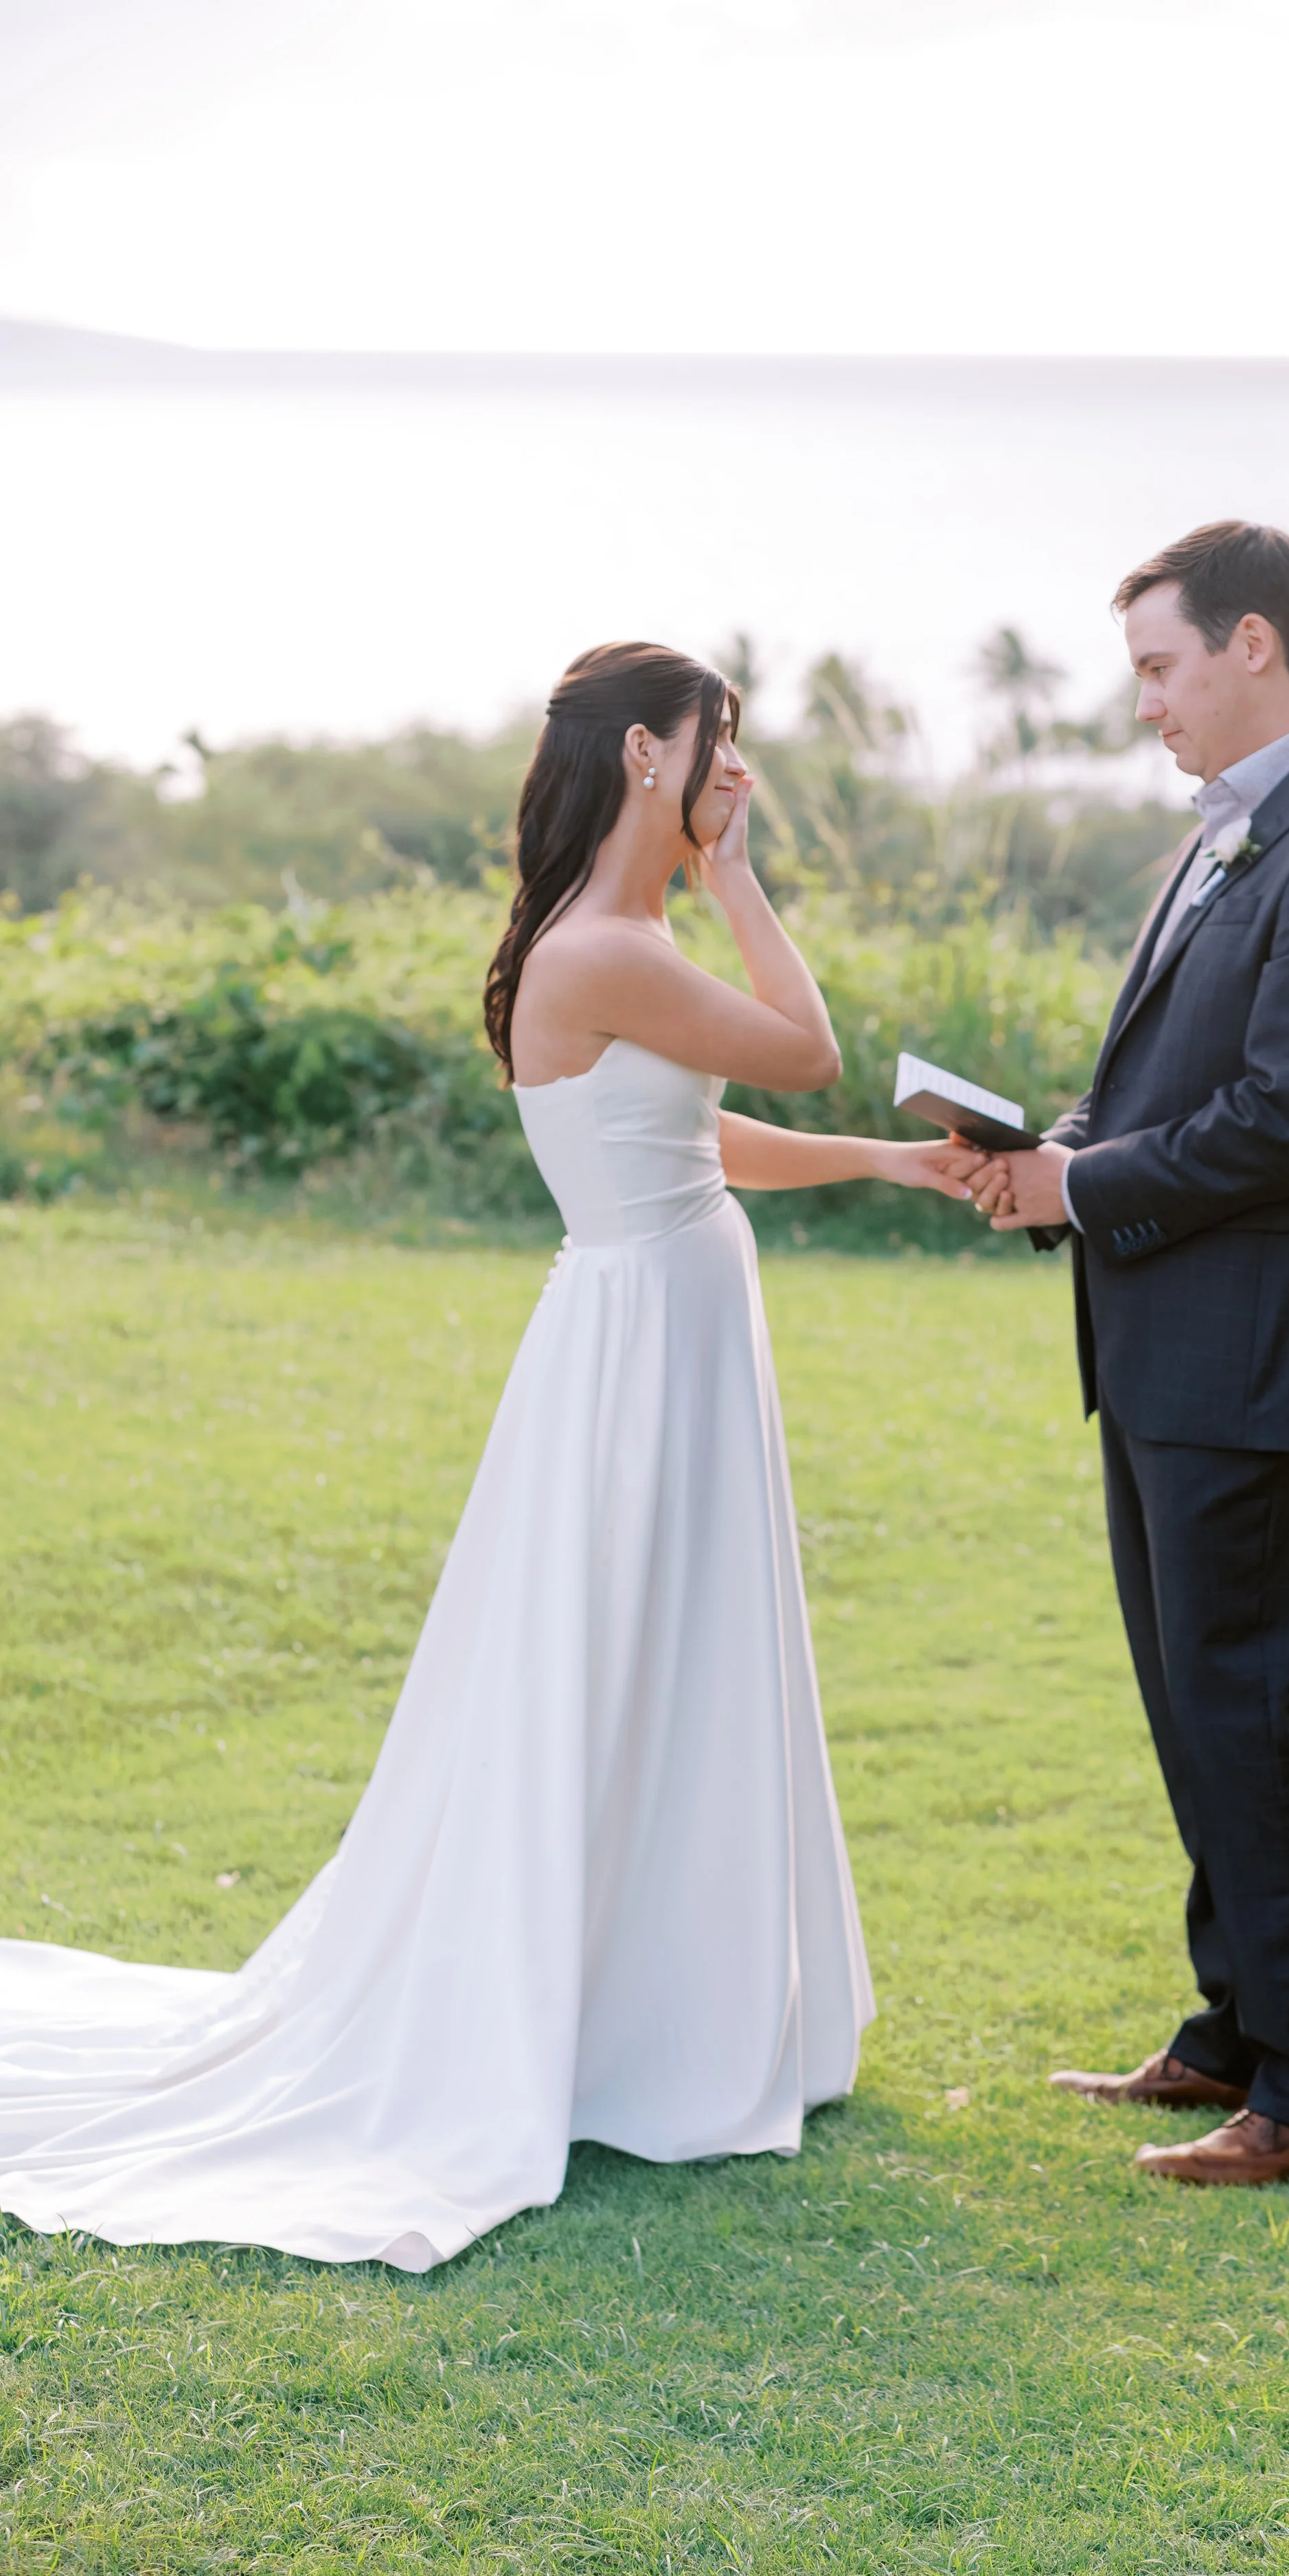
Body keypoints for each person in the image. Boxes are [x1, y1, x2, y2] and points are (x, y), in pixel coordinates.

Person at [0, 641, 973, 2271]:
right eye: (714, 747)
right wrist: (742, 876)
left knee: (671, 1667)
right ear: (651, 760)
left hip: (662, 1322)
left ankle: (650, 2002)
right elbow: (795, 1041)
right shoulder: (605, 944)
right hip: (637, 1347)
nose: (733, 773)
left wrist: (888, 1162)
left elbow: (697, 1129)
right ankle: (614, 2026)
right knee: (621, 1668)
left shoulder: (604, 948)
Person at [966, 523, 1289, 2187]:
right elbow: (1160, 1083)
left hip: (1259, 1359)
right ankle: (1234, 2029)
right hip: (1161, 1348)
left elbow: (1279, 1127)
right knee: (1189, 1708)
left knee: (1244, 1714)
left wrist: (1081, 1184)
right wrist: (1045, 1159)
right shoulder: (1227, 839)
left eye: (1160, 667)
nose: (1146, 704)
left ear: (1253, 644)